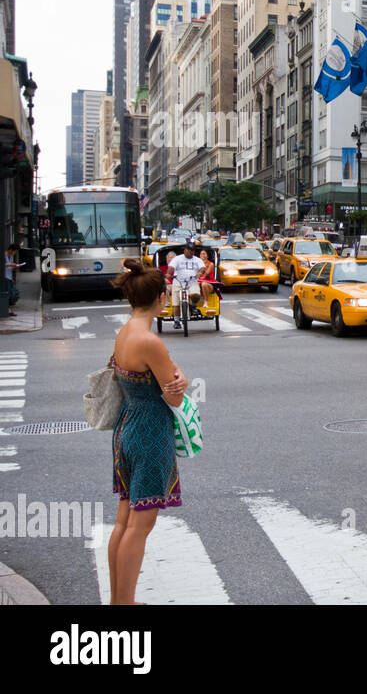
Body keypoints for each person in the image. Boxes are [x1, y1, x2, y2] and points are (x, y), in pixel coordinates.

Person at [107, 259, 189, 605]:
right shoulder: (150, 340)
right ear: (159, 298)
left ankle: (118, 599)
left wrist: (175, 375)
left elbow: (162, 374)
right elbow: (174, 391)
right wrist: (180, 381)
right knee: (140, 525)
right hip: (149, 431)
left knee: (125, 518)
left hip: (127, 426)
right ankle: (124, 604)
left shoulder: (126, 331)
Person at [167, 244, 205, 330]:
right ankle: (176, 321)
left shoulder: (197, 260)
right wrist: (169, 273)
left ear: (194, 252)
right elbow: (171, 267)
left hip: (192, 282)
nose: (190, 252)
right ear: (185, 250)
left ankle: (193, 305)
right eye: (188, 250)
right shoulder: (177, 259)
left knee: (195, 295)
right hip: (178, 282)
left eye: (192, 250)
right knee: (176, 303)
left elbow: (202, 267)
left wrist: (199, 272)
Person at [4, 244, 19, 317]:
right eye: (15, 251)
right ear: (11, 250)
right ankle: (7, 310)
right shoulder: (4, 255)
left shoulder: (10, 257)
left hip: (9, 277)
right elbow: (3, 265)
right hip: (5, 277)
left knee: (9, 293)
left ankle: (8, 309)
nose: (15, 253)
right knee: (8, 293)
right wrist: (10, 265)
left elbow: (8, 266)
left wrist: (13, 266)